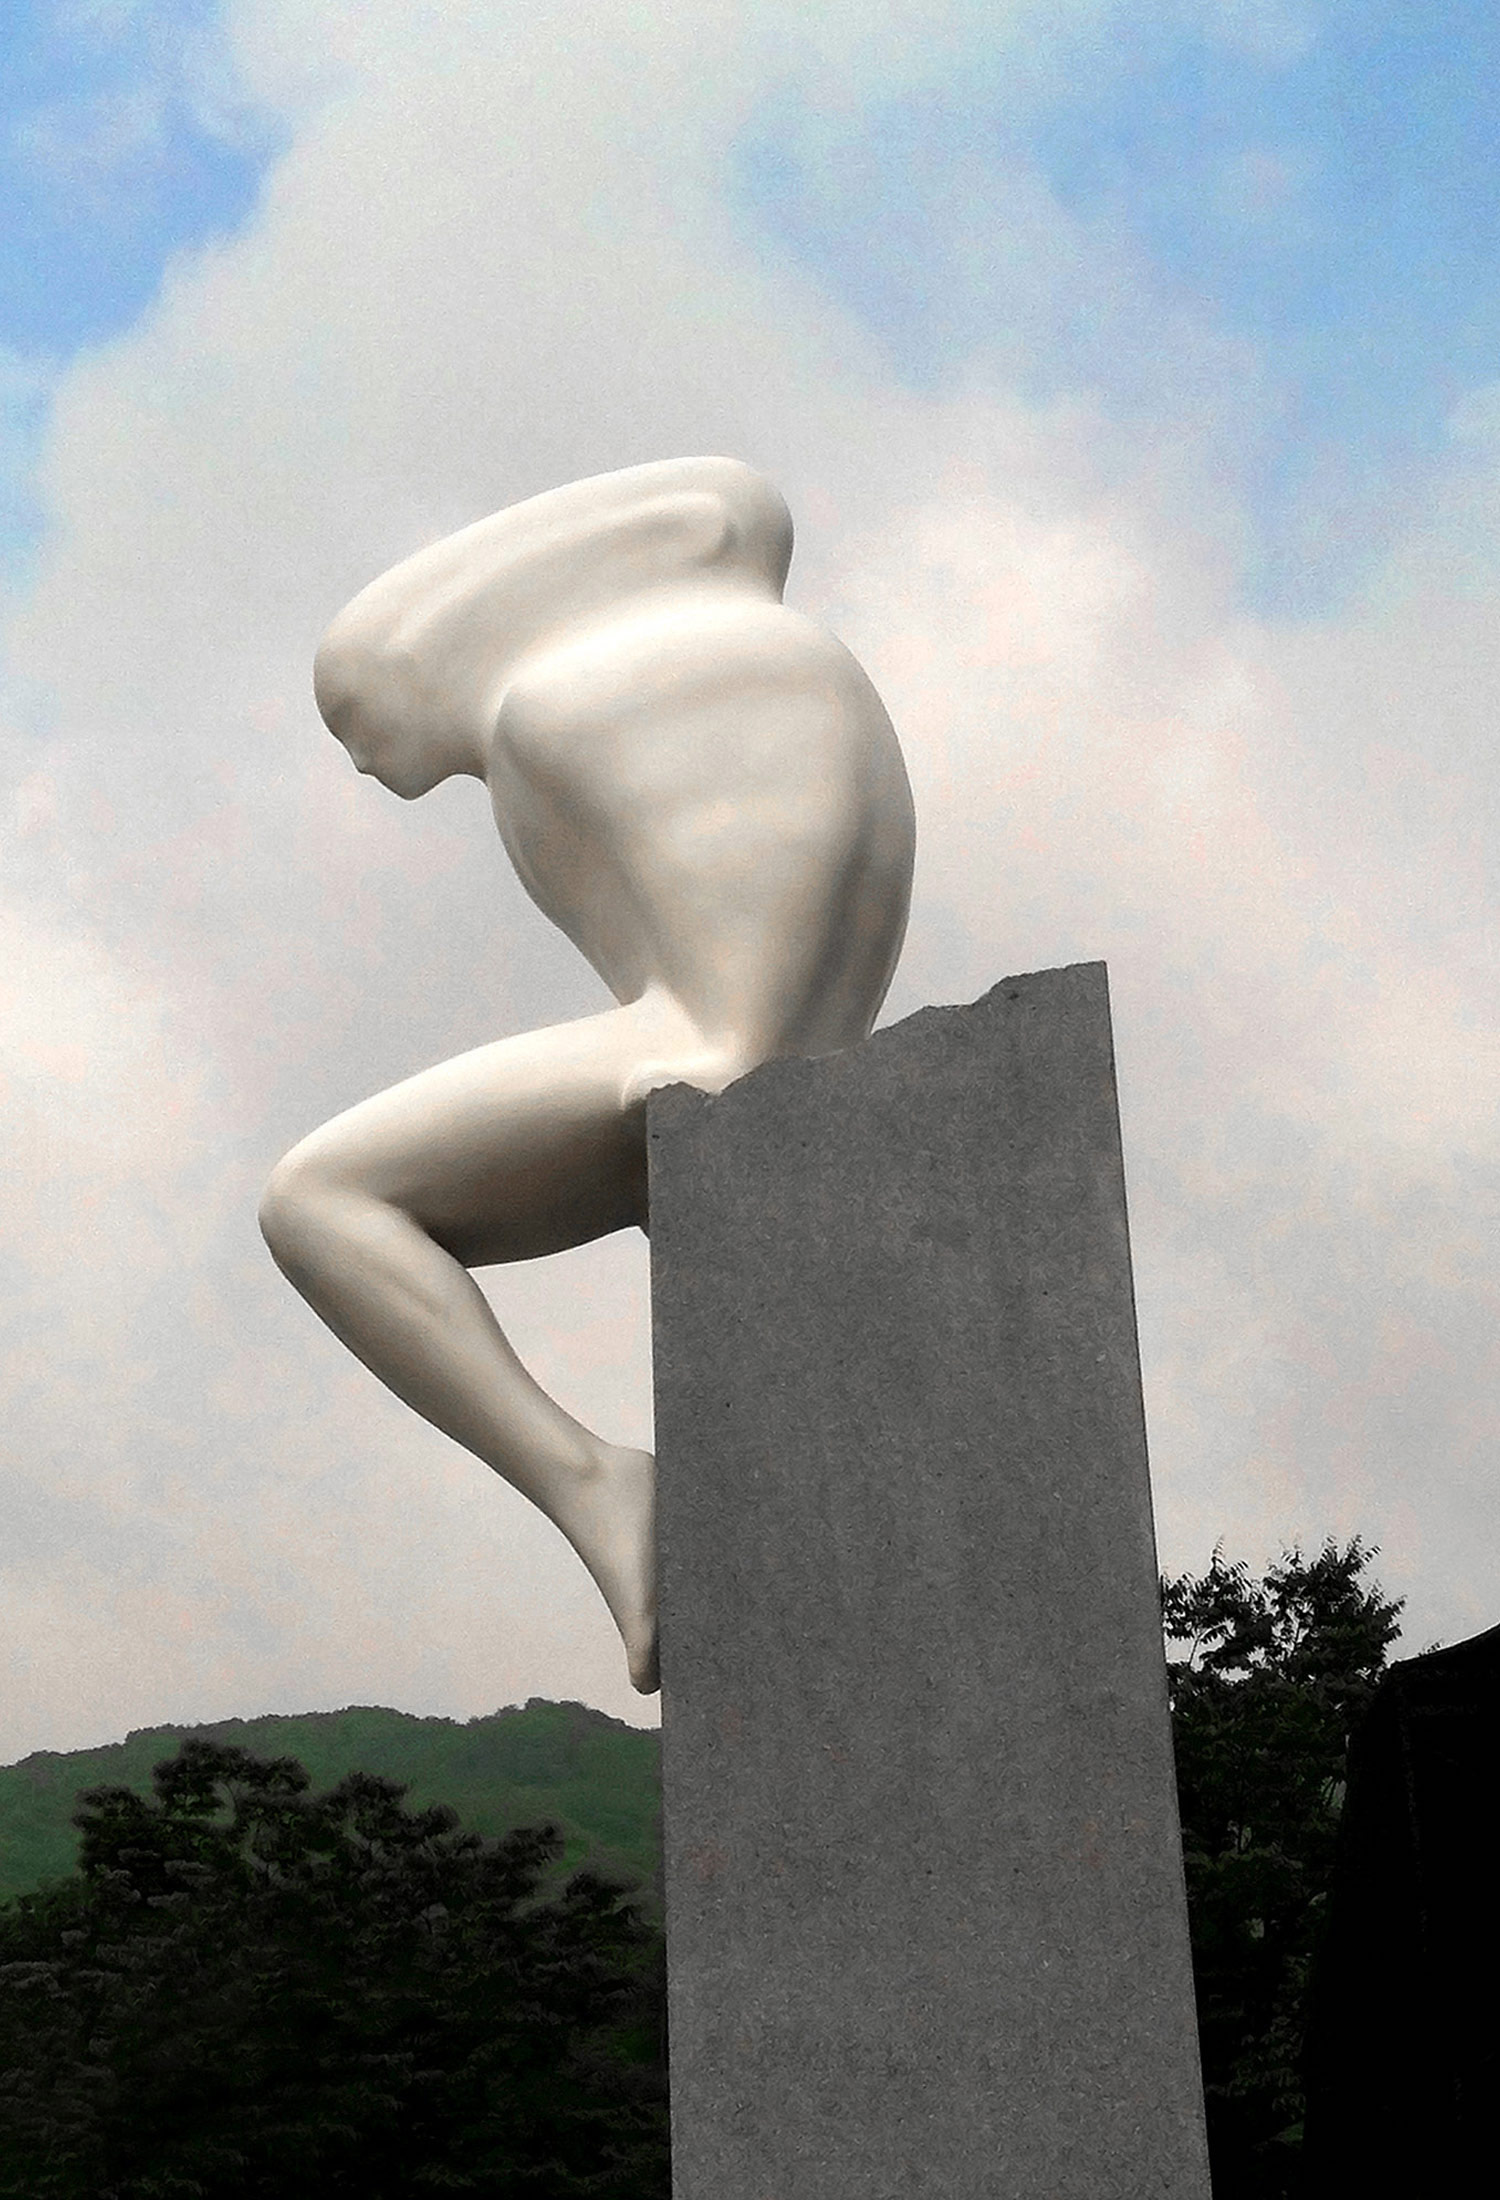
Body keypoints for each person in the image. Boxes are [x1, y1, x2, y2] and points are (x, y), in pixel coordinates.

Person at [259, 457, 916, 1692]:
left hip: (717, 1042)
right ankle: (598, 1487)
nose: (362, 764)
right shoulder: (745, 650)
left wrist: (718, 1053)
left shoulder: (562, 701)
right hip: (762, 1038)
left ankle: (591, 1481)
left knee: (319, 1198)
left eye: (350, 722)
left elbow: (750, 899)